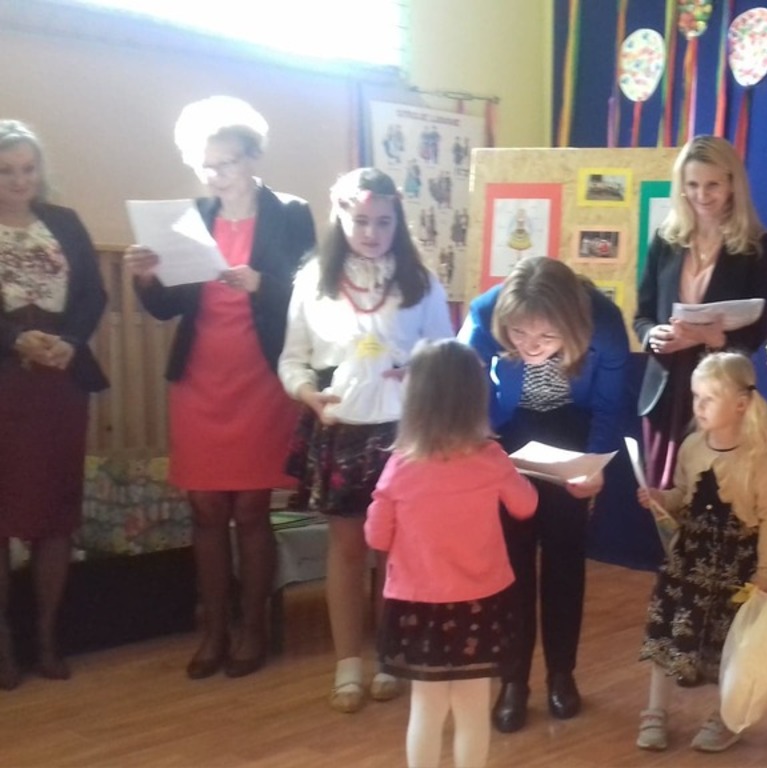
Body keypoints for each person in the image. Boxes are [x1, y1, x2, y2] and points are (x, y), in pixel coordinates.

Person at [124, 97, 314, 680]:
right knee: (205, 509)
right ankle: (214, 631)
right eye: (205, 166)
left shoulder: (290, 213)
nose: (215, 176)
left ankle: (253, 629)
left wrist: (263, 284)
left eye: (226, 163)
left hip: (260, 378)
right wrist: (146, 279)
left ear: (253, 157)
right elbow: (167, 307)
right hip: (200, 379)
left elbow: (314, 298)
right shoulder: (192, 217)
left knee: (252, 509)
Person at [278, 167, 454, 713]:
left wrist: (419, 372)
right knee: (348, 545)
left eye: (383, 221)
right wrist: (308, 394)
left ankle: (388, 657)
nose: (372, 232)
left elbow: (445, 353)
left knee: (393, 548)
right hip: (340, 427)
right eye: (360, 221)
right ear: (339, 216)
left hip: (402, 432)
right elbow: (292, 358)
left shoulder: (420, 281)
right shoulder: (313, 280)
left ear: (397, 219)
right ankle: (347, 664)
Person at [457, 256, 631, 733]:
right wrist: (482, 438)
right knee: (510, 563)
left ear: (572, 327)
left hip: (573, 428)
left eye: (546, 337)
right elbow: (465, 383)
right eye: (518, 334)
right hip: (510, 429)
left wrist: (594, 465)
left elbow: (609, 406)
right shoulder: (486, 312)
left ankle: (561, 674)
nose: (530, 347)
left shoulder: (605, 324)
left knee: (565, 558)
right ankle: (513, 680)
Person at [366, 338, 537, 768]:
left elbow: (376, 537)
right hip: (480, 603)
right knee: (472, 708)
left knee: (425, 709)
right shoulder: (491, 458)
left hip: (416, 605)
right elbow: (526, 505)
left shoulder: (399, 467)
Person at [0, 120, 108, 688]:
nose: (20, 181)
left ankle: (46, 638)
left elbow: (93, 295)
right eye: (6, 171)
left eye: (28, 168)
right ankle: (3, 645)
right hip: (6, 380)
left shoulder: (64, 222)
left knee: (55, 517)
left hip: (59, 386)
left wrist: (70, 341)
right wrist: (13, 339)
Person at [634, 351, 767, 753]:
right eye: (696, 397)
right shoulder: (691, 446)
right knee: (668, 632)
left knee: (729, 645)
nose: (698, 406)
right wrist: (660, 498)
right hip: (688, 561)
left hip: (736, 567)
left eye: (709, 398)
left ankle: (725, 716)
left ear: (740, 404)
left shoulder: (759, 458)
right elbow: (683, 496)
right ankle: (655, 711)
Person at [634, 135, 767, 488]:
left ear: (732, 184)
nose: (701, 195)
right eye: (692, 185)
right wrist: (652, 335)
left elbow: (757, 332)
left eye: (712, 185)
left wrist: (715, 338)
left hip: (719, 392)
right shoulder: (665, 239)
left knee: (712, 495)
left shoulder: (755, 246)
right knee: (662, 497)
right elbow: (642, 316)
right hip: (665, 390)